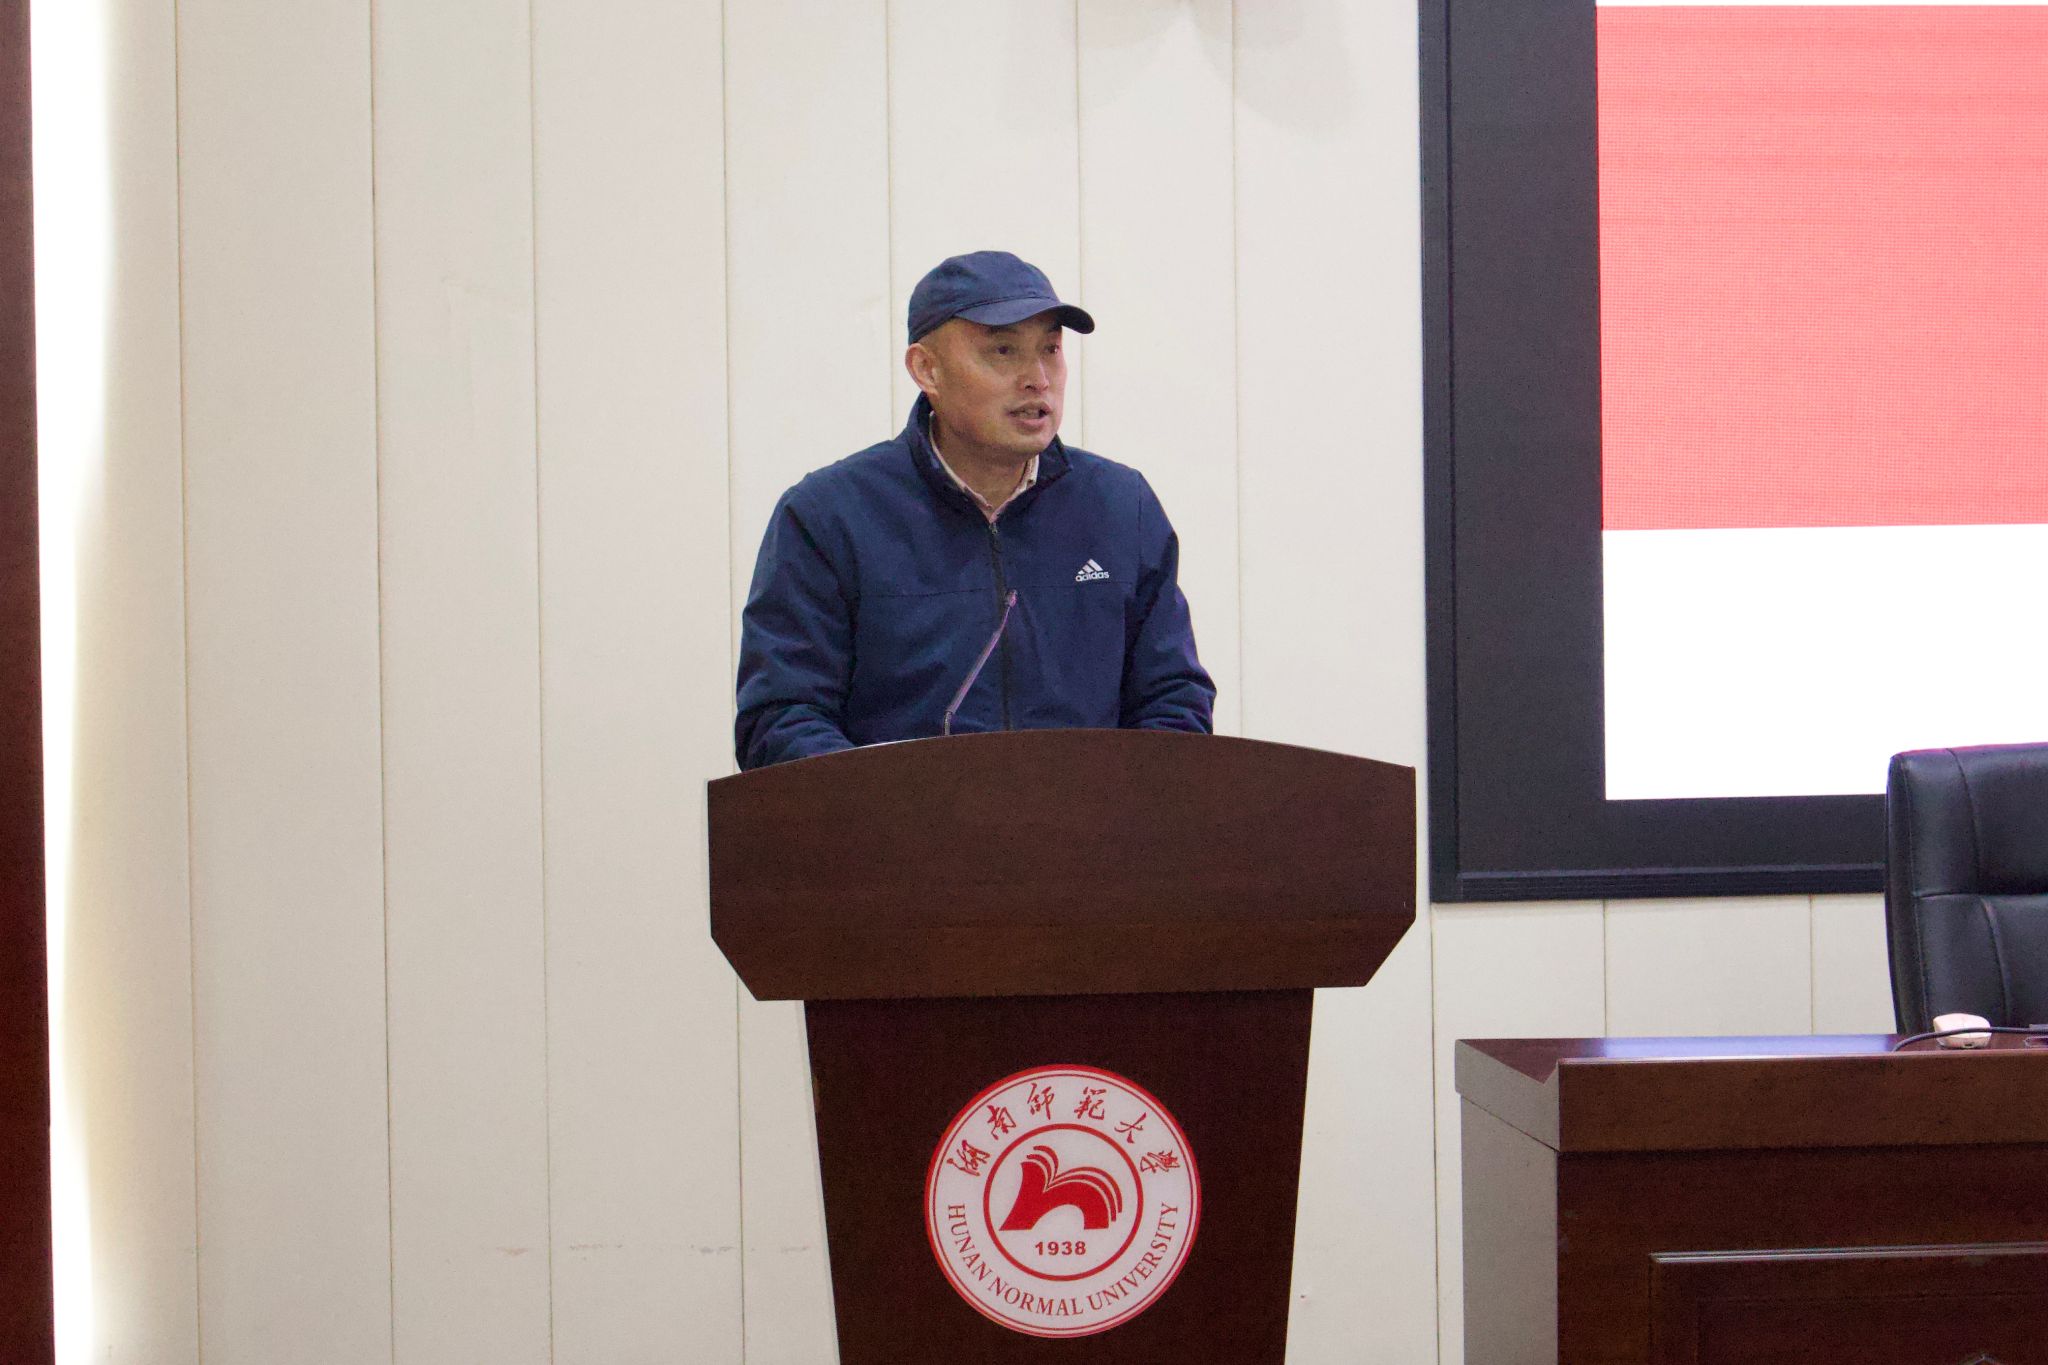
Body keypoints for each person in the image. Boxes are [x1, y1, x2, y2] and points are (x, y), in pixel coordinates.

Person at [734, 250, 1214, 770]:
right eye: (1003, 351)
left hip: (1088, 819)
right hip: (895, 820)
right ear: (927, 369)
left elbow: (1173, 698)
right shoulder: (829, 516)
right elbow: (783, 717)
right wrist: (890, 805)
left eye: (1050, 349)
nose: (1038, 379)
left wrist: (1114, 800)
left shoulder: (1120, 505)